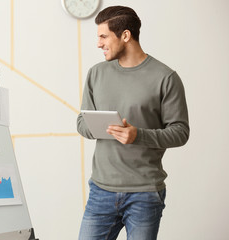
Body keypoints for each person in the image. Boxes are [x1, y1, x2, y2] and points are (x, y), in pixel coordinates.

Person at [77, 6, 189, 240]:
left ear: (125, 36)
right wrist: (102, 126)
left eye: (103, 36)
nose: (98, 43)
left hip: (145, 193)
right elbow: (81, 122)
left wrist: (138, 135)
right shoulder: (95, 74)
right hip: (101, 190)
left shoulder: (165, 77)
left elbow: (180, 132)